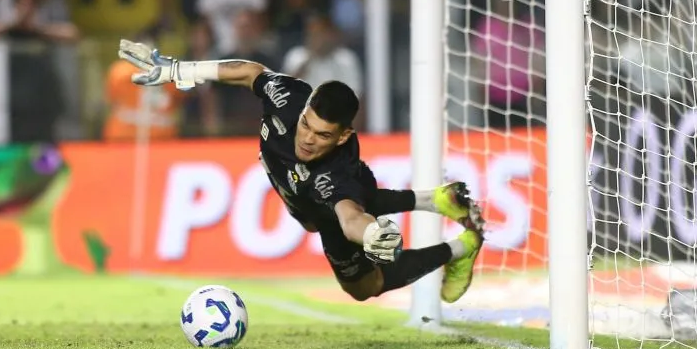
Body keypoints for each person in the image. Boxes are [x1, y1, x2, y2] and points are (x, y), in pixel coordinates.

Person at [117, 40, 486, 304]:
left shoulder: (335, 174)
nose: (307, 139)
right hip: (308, 195)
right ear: (305, 107)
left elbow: (349, 216)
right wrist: (180, 70)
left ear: (343, 136)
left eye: (323, 135)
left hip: (327, 205)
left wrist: (372, 234)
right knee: (350, 203)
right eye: (307, 124)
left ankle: (459, 249)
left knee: (363, 288)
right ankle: (437, 200)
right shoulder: (287, 97)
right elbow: (250, 72)